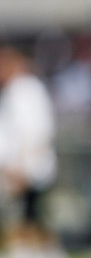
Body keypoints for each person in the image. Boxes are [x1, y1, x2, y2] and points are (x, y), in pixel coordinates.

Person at [0, 45, 65, 257]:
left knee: (29, 223)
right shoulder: (16, 91)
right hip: (22, 171)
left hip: (29, 171)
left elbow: (36, 133)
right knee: (30, 221)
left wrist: (22, 169)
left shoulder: (25, 90)